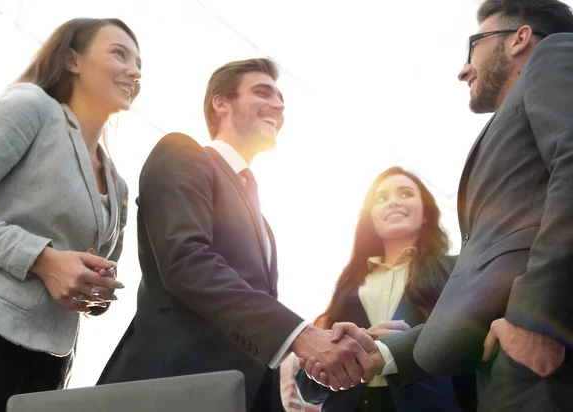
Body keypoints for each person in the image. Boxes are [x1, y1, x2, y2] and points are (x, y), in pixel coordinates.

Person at [307, 1, 573, 411]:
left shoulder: (553, 58)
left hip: (539, 361)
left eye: (473, 48)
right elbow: (486, 293)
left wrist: (536, 321)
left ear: (520, 38)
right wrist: (384, 354)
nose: (464, 70)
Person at [98, 58, 375, 412]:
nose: (278, 106)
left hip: (244, 396)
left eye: (282, 101)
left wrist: (323, 344)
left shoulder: (263, 218)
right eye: (263, 92)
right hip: (171, 389)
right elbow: (188, 263)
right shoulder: (182, 154)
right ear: (221, 102)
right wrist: (302, 336)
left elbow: (251, 307)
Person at [0, 17, 140, 411]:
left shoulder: (117, 183)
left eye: (139, 65)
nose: (134, 71)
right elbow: (51, 262)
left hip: (52, 364)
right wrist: (44, 260)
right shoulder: (31, 106)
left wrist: (96, 288)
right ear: (72, 60)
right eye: (120, 54)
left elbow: (90, 276)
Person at [296, 167, 460, 412]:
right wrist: (348, 349)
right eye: (381, 198)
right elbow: (307, 389)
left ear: (425, 213)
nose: (393, 202)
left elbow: (465, 346)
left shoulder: (456, 270)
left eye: (405, 194)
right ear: (371, 217)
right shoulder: (348, 285)